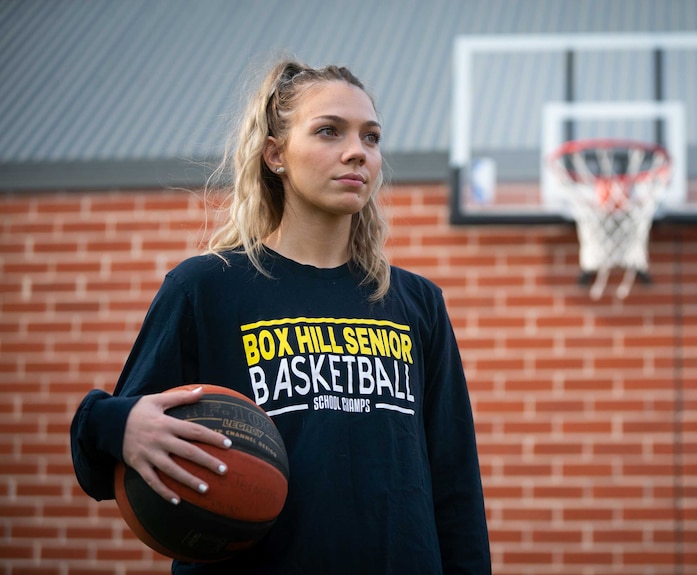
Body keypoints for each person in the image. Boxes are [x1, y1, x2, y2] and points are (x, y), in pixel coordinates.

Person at [70, 58, 491, 574]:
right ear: (276, 155)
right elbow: (103, 455)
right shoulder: (206, 288)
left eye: (372, 137)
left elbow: (455, 487)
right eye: (329, 131)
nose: (357, 151)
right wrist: (118, 423)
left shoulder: (416, 303)